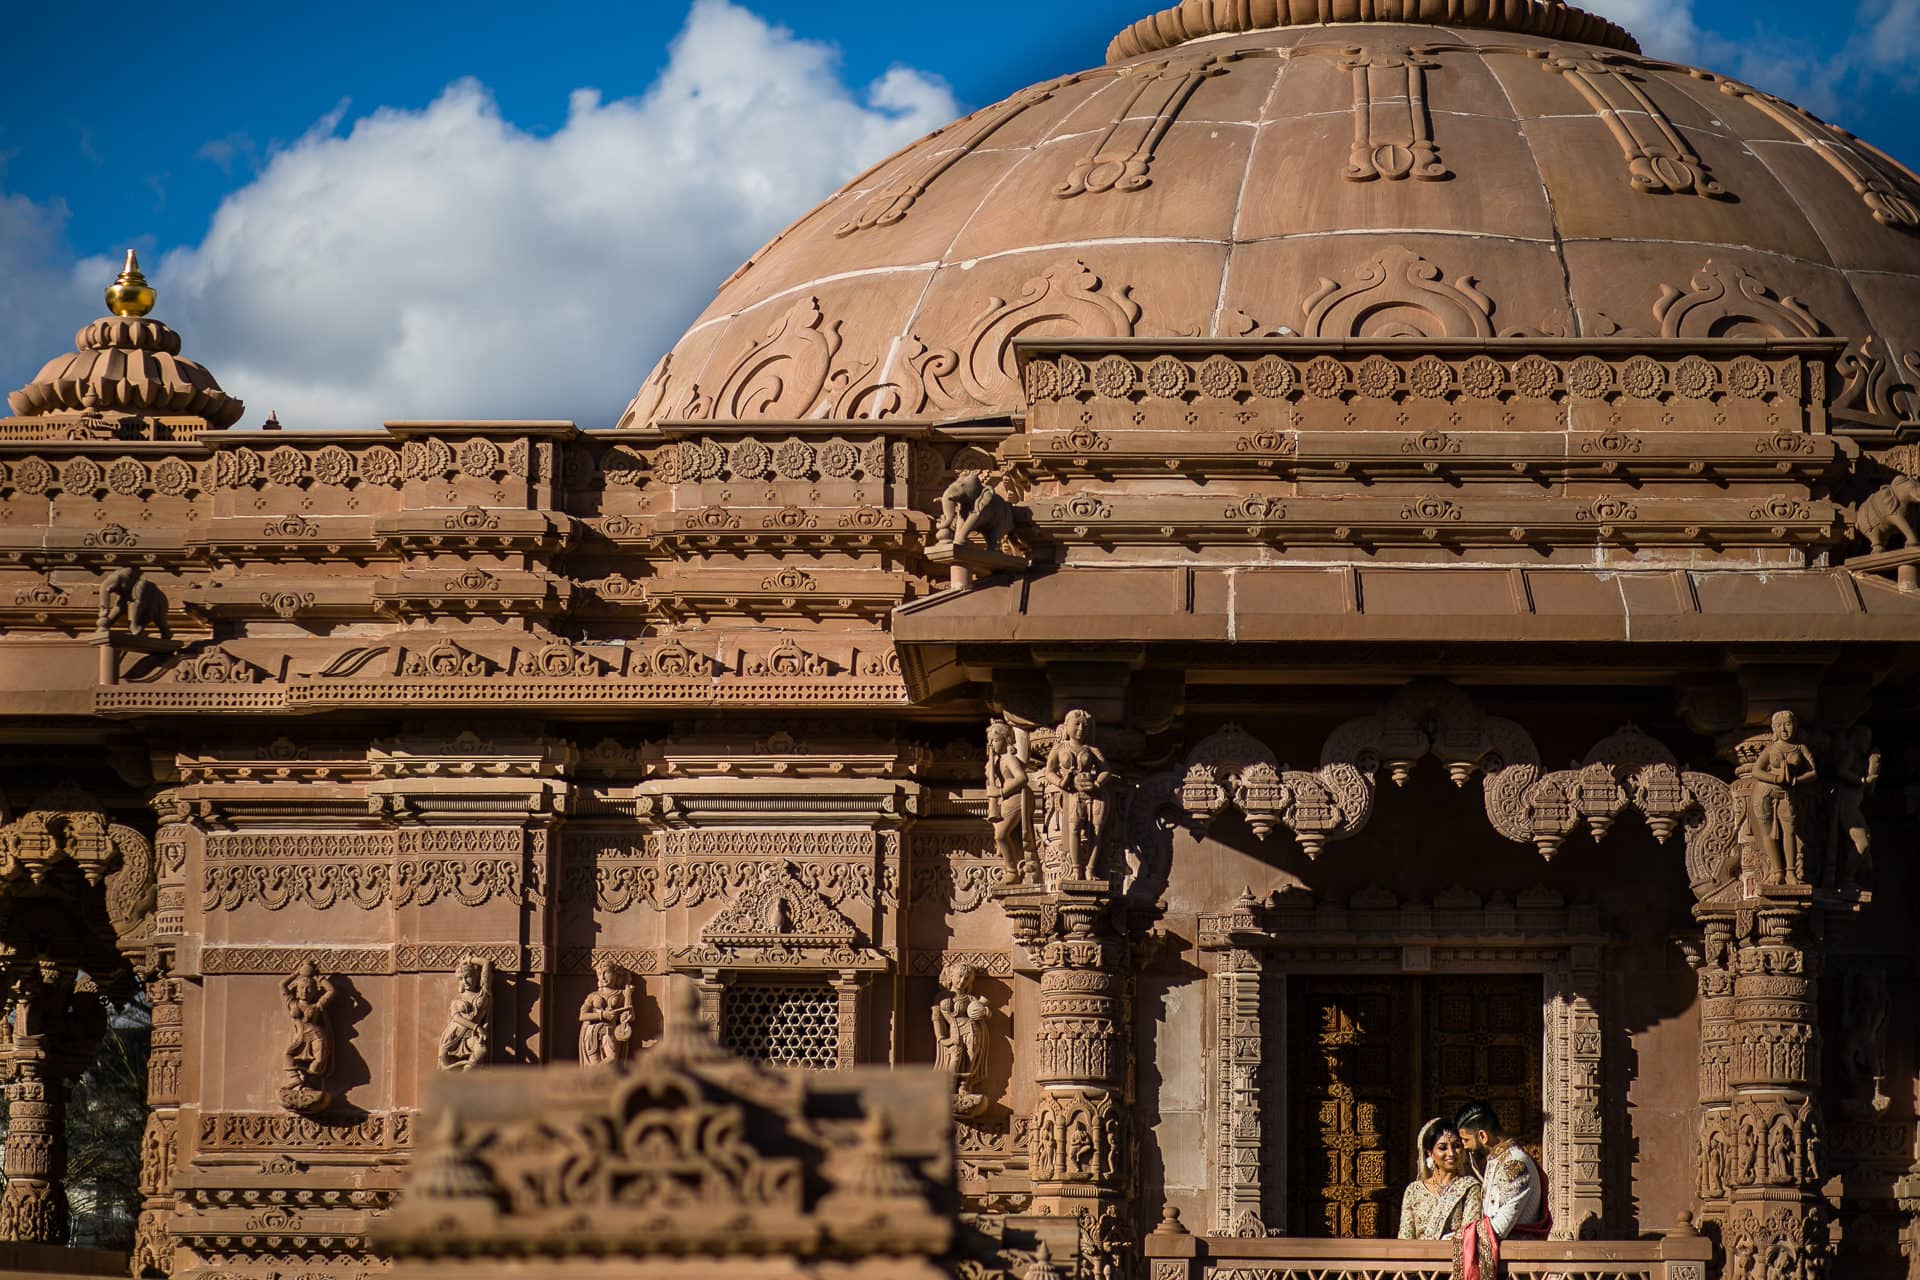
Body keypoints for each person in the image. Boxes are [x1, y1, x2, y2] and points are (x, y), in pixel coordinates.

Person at [1454, 1101, 1548, 1280]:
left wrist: (1455, 1238)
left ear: (1482, 1136)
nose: (1465, 1147)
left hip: (1517, 1267)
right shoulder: (1497, 1160)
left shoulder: (1515, 1163)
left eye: (1466, 1140)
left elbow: (1499, 1227)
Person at [1398, 1117, 1483, 1239]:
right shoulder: (1414, 1191)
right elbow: (1405, 1238)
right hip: (1417, 1256)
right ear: (1429, 1153)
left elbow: (1469, 1234)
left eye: (1456, 1146)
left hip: (1454, 1256)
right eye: (1443, 1147)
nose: (1451, 1153)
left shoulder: (1469, 1188)